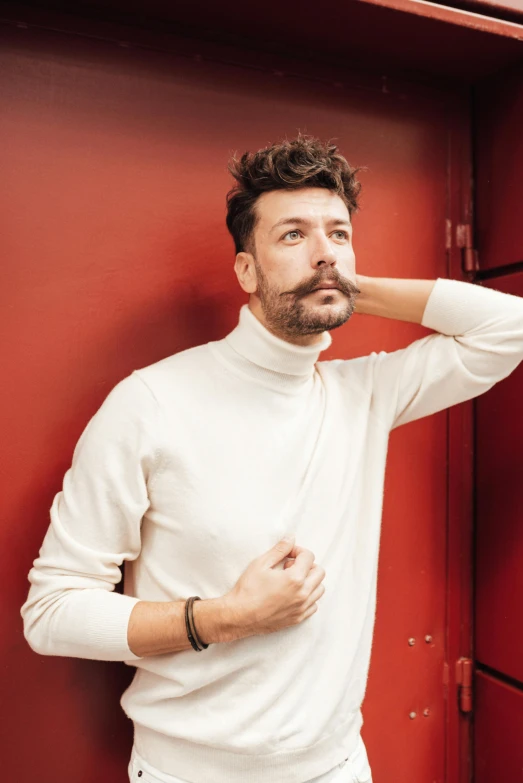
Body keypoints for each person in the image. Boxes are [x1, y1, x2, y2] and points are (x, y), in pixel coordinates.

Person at [21, 133, 523, 783]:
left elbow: (507, 329)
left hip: (339, 766)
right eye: (292, 236)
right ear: (246, 271)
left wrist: (344, 284)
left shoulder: (362, 394)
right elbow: (52, 612)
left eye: (338, 234)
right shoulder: (149, 403)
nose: (323, 252)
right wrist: (222, 618)